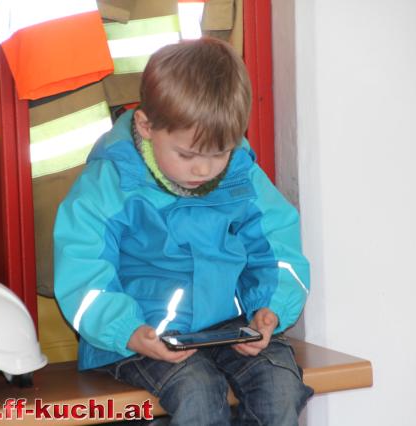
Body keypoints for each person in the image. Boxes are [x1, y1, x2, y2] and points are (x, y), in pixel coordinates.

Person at [54, 37, 313, 425]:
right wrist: (127, 330)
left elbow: (278, 249)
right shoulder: (110, 184)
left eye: (220, 153)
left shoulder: (241, 175)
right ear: (146, 126)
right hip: (140, 334)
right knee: (197, 393)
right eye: (188, 155)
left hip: (228, 329)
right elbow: (82, 271)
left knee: (280, 386)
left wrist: (270, 308)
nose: (204, 170)